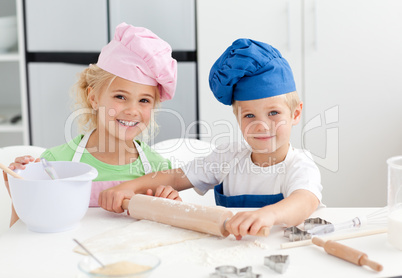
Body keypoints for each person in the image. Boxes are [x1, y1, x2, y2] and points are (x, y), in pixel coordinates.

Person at [98, 38, 323, 240]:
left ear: (295, 114)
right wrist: (128, 187)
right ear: (237, 118)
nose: (261, 125)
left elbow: (305, 200)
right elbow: (176, 178)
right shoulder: (228, 158)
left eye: (273, 113)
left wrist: (269, 215)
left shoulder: (299, 165)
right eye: (249, 115)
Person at [3, 23, 181, 227]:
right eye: (120, 96)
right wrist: (18, 191)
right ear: (94, 97)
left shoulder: (160, 169)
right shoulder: (54, 163)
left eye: (144, 101)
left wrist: (172, 208)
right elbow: (23, 234)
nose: (132, 110)